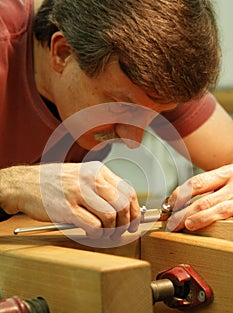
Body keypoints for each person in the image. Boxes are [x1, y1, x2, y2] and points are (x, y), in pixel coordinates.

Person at [0, 0, 233, 240]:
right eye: (120, 108)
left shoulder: (150, 80)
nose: (133, 140)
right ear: (62, 53)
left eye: (155, 116)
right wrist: (13, 184)